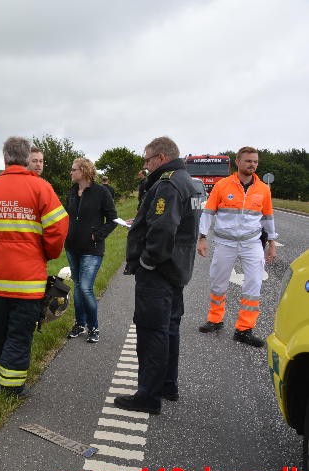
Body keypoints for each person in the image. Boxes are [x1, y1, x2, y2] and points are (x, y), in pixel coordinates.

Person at [0, 136, 68, 396]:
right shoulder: (42, 188)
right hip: (28, 282)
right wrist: (45, 254)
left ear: (4, 158)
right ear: (26, 159)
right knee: (20, 335)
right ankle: (10, 389)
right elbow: (58, 230)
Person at [114, 136, 199, 415]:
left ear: (161, 158)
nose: (146, 165)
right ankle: (167, 385)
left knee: (152, 332)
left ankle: (148, 396)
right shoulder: (189, 181)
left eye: (148, 160)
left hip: (160, 272)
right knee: (169, 328)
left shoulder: (168, 184)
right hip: (177, 269)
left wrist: (147, 261)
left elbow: (162, 229)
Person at [196, 146, 277, 347]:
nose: (252, 165)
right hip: (225, 244)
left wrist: (272, 243)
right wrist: (202, 237)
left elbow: (268, 217)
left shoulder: (263, 189)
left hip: (252, 244)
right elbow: (208, 212)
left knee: (253, 286)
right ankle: (215, 320)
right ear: (238, 162)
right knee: (218, 283)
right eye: (248, 161)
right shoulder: (222, 186)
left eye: (255, 162)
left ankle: (244, 329)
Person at [65, 158, 118, 343]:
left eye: (73, 169)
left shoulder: (101, 192)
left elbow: (113, 220)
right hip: (72, 247)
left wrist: (98, 235)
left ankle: (93, 326)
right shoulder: (72, 192)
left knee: (86, 288)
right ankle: (80, 324)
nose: (71, 172)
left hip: (91, 249)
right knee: (78, 287)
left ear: (84, 171)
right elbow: (67, 216)